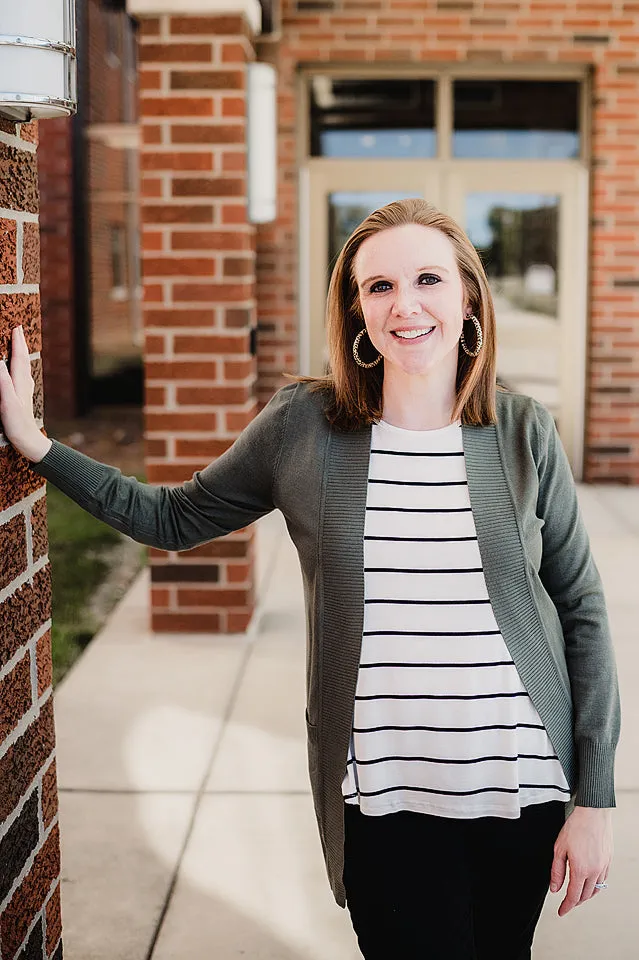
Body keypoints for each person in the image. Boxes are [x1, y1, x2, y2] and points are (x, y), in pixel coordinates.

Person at [0, 198, 620, 959]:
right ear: (357, 310)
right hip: (384, 801)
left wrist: (593, 796)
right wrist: (36, 445)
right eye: (379, 287)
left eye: (428, 278)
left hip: (523, 788)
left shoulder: (523, 431)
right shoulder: (306, 426)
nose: (406, 305)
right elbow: (171, 519)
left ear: (467, 298)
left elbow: (581, 611)